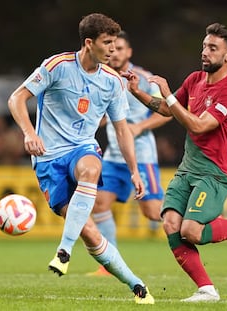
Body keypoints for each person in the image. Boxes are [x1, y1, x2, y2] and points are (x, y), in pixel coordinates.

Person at [7, 13, 154, 304]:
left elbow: (122, 130)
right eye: (107, 43)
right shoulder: (57, 66)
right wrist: (28, 133)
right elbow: (17, 98)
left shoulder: (113, 81)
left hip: (82, 148)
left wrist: (134, 170)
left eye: (115, 43)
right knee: (89, 230)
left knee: (90, 167)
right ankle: (137, 285)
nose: (113, 49)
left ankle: (64, 250)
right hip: (48, 159)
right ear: (89, 43)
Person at [122, 22, 227, 302]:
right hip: (187, 169)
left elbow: (199, 125)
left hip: (213, 173)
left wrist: (166, 91)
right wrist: (138, 92)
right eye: (204, 46)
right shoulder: (194, 80)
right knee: (169, 223)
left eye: (213, 48)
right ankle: (207, 289)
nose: (205, 52)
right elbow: (169, 109)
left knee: (191, 231)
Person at [89, 31, 172, 276]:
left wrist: (140, 126)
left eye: (121, 48)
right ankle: (110, 263)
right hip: (115, 155)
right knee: (100, 202)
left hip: (142, 154)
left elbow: (167, 113)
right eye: (112, 48)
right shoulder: (102, 76)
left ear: (129, 52)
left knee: (152, 211)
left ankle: (194, 215)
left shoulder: (144, 79)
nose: (115, 53)